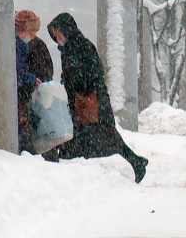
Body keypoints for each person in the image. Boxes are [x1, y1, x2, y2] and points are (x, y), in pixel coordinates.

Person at [47, 12, 149, 183]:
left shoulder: (82, 46)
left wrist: (77, 83)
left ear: (67, 29)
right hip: (83, 101)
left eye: (58, 31)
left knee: (104, 134)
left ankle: (135, 162)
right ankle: (134, 162)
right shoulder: (68, 48)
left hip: (92, 100)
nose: (57, 36)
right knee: (98, 135)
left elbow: (94, 71)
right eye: (55, 33)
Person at [15, 9, 57, 160]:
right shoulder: (25, 45)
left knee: (31, 132)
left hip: (27, 96)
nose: (32, 36)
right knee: (33, 132)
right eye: (31, 32)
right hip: (27, 96)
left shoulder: (28, 45)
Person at [15, 14, 42, 154]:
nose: (32, 38)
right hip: (16, 95)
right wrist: (31, 79)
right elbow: (17, 72)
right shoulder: (17, 47)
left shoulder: (14, 44)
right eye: (32, 33)